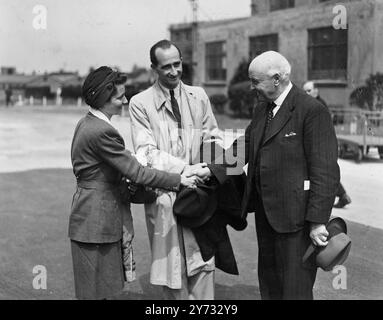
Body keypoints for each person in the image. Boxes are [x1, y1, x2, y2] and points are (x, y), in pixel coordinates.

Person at [196, 51, 340, 299]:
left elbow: (325, 171)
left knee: (295, 289)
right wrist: (212, 169)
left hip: (297, 220)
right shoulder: (263, 107)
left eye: (255, 81)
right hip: (266, 215)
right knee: (270, 285)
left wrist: (317, 221)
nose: (252, 88)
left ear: (276, 79)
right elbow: (246, 145)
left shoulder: (311, 110)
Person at [68, 66, 197, 300]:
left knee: (95, 290)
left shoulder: (85, 123)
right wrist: (179, 180)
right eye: (119, 96)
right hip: (97, 221)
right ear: (104, 98)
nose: (125, 100)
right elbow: (137, 173)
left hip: (89, 217)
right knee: (97, 291)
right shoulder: (102, 131)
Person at [128, 40, 222, 300]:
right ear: (154, 69)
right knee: (172, 268)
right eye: (166, 66)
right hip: (164, 195)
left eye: (177, 64)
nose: (173, 71)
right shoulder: (140, 103)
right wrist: (185, 171)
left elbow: (212, 138)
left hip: (199, 194)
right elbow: (146, 152)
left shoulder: (199, 95)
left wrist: (210, 168)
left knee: (202, 261)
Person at [303, 81, 352, 208]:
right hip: (321, 143)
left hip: (321, 144)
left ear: (316, 91)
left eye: (308, 91)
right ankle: (343, 195)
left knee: (321, 174)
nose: (306, 94)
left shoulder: (317, 105)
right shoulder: (316, 103)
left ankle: (342, 195)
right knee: (324, 173)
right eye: (304, 91)